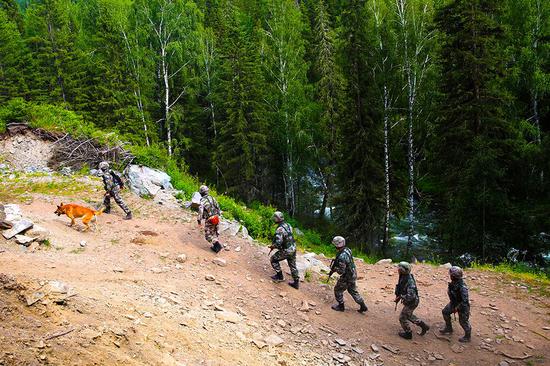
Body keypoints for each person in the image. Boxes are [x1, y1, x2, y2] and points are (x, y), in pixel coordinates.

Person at [329, 236, 368, 313]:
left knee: (337, 290)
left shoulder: (341, 257)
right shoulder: (347, 250)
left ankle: (341, 306)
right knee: (352, 291)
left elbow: (341, 271)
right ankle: (363, 306)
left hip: (347, 276)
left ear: (337, 245)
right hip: (353, 273)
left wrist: (334, 269)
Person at [394, 261, 430, 339]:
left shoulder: (410, 282)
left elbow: (411, 296)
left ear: (402, 270)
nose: (398, 270)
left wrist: (401, 296)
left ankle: (408, 333)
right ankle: (423, 325)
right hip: (410, 301)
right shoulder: (403, 276)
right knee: (408, 315)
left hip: (412, 302)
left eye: (399, 269)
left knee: (402, 317)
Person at [440, 266, 472, 342]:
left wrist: (457, 308)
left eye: (451, 275)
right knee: (445, 312)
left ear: (454, 276)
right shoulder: (454, 283)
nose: (450, 276)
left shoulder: (462, 287)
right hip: (454, 303)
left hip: (463, 307)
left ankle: (467, 336)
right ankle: (449, 328)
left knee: (463, 322)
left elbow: (465, 301)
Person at [269, 211, 300, 289]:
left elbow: (278, 242)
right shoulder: (288, 225)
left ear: (277, 218)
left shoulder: (279, 229)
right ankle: (296, 283)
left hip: (286, 250)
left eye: (274, 218)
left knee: (273, 259)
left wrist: (273, 246)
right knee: (293, 265)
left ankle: (280, 277)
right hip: (293, 248)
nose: (274, 219)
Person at [197, 185, 222, 253]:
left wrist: (199, 220)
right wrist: (218, 214)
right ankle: (215, 247)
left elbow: (200, 211)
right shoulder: (212, 198)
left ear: (201, 193)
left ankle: (217, 245)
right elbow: (218, 206)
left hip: (209, 219)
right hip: (216, 217)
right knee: (215, 232)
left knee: (208, 235)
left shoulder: (202, 201)